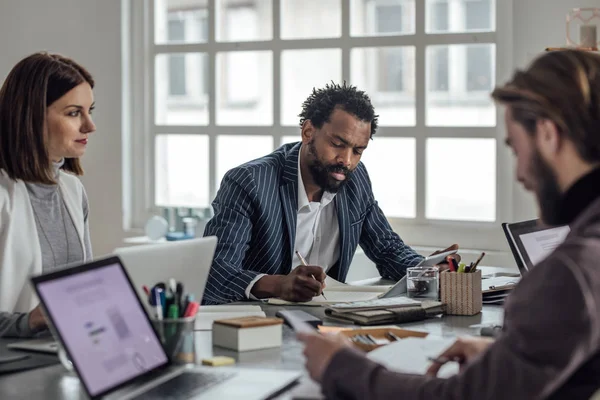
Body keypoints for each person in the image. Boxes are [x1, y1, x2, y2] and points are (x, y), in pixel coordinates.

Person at [298, 50, 600, 399]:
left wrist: (340, 366)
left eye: (516, 150)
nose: (520, 175)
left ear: (547, 134)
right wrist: (500, 359)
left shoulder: (570, 271)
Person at [202, 82, 457, 305]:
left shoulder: (354, 179)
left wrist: (428, 269)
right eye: (337, 144)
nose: (346, 160)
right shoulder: (249, 182)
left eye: (358, 150)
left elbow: (387, 248)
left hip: (328, 322)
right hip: (253, 325)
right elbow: (217, 273)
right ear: (308, 132)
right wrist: (278, 285)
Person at [0, 52, 96, 337]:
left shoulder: (72, 190)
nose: (90, 126)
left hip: (65, 356)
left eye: (91, 111)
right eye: (73, 113)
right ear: (30, 116)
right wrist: (29, 321)